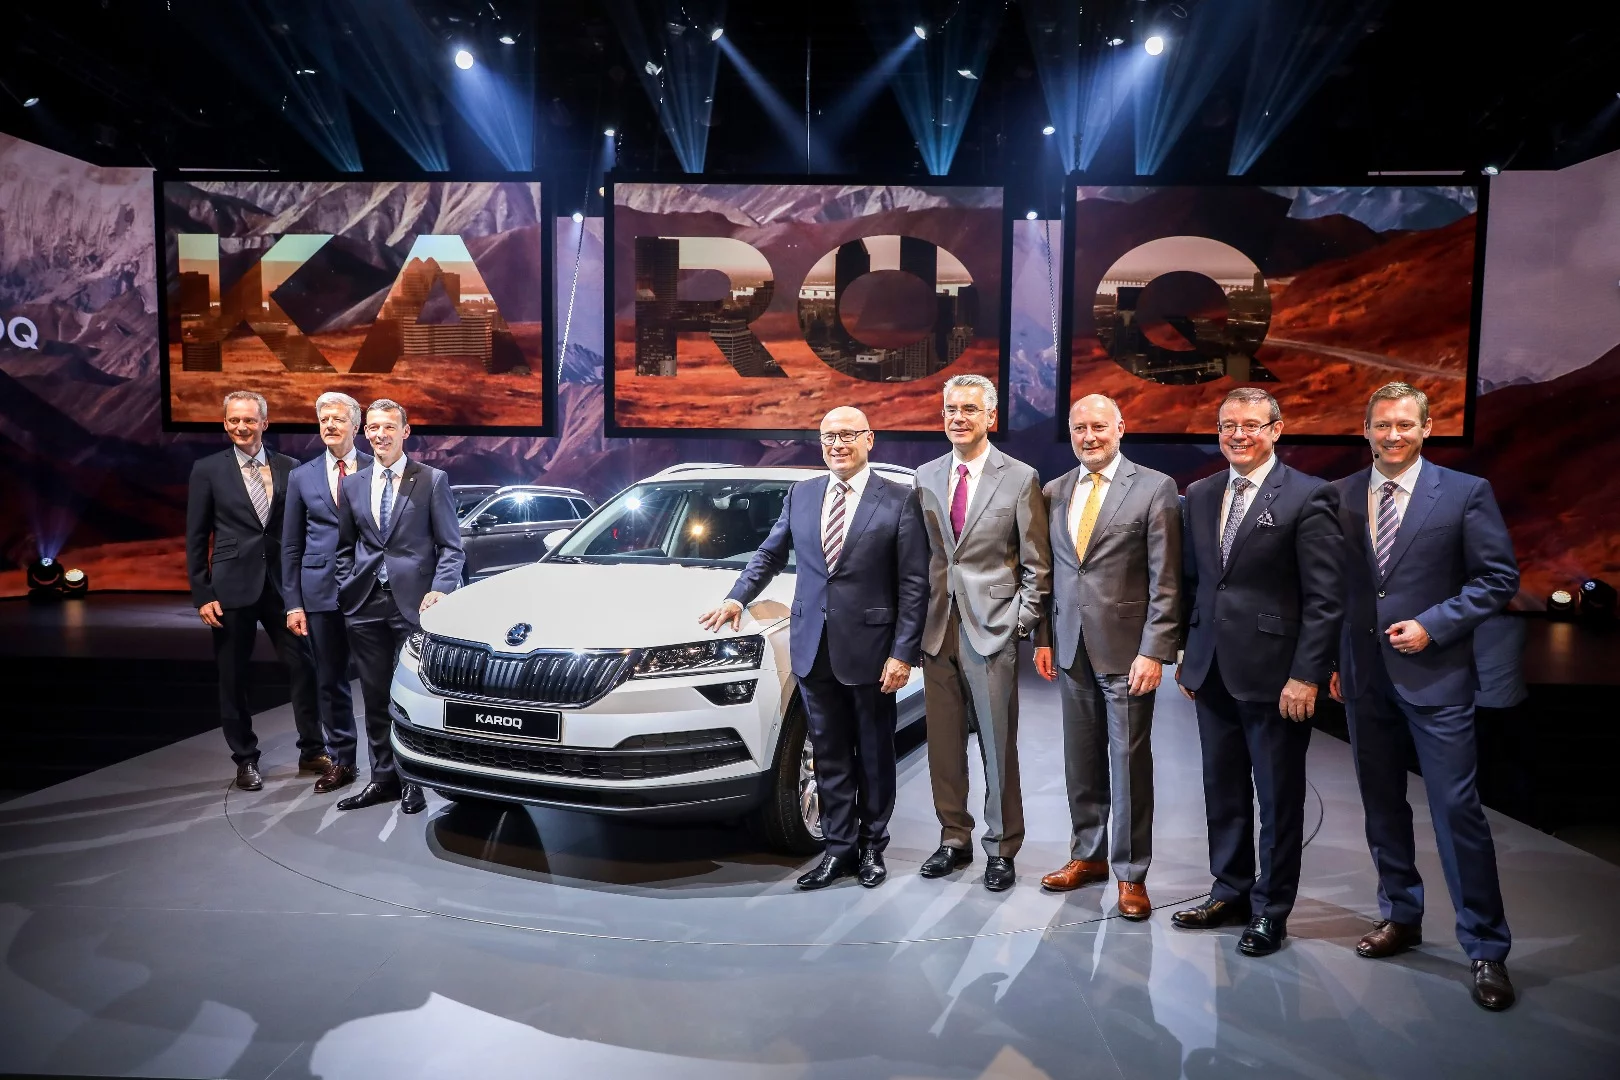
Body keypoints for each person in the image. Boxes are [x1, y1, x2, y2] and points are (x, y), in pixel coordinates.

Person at [1329, 382, 1520, 1011]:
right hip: (1363, 678)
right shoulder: (1340, 497)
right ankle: (1401, 916)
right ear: (1366, 430)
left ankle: (1486, 948)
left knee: (1456, 812)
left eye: (1404, 425)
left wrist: (1434, 624)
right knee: (1382, 806)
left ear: (1426, 428)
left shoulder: (1465, 493)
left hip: (1436, 678)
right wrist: (1333, 660)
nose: (1392, 435)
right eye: (1382, 425)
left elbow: (1497, 578)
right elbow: (1333, 592)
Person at [700, 407, 929, 890]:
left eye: (847, 435)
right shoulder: (802, 494)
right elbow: (770, 552)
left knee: (872, 752)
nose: (838, 444)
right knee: (827, 754)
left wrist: (903, 652)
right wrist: (736, 597)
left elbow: (914, 585)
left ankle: (872, 847)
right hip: (810, 646)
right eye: (829, 437)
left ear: (870, 439)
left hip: (872, 650)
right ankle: (838, 849)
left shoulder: (900, 499)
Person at [1172, 387, 1343, 957]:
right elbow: (1195, 583)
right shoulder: (1198, 494)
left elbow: (1324, 598)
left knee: (1277, 797)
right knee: (1221, 790)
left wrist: (1307, 674)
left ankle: (1272, 909)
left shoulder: (1308, 496)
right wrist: (1185, 653)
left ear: (1276, 429)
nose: (1237, 435)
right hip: (1212, 668)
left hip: (1277, 678)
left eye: (1250, 425)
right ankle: (1230, 891)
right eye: (1227, 425)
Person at [1033, 394, 1181, 919]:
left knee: (1129, 765)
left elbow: (1167, 580)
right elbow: (1050, 574)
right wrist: (1044, 638)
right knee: (1082, 762)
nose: (1089, 436)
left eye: (1099, 426)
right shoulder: (1054, 492)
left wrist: (1156, 649)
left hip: (1127, 653)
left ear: (1121, 428)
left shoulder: (1155, 487)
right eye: (1079, 428)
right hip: (1071, 646)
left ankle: (1131, 874)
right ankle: (1087, 857)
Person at [913, 375, 1050, 892]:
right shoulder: (924, 476)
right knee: (943, 746)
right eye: (951, 409)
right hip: (937, 628)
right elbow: (923, 557)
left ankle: (1002, 846)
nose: (959, 418)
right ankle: (954, 838)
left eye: (970, 409)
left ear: (991, 417)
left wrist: (1020, 621)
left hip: (992, 630)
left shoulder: (1019, 477)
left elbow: (1037, 562)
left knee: (997, 743)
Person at [185, 390, 325, 790]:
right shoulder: (208, 469)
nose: (241, 427)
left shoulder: (290, 467)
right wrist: (202, 592)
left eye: (249, 420)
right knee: (233, 675)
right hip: (230, 587)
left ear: (265, 422)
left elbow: (298, 531)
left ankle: (312, 748)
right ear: (225, 423)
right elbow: (196, 537)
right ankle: (245, 758)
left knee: (303, 665)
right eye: (233, 421)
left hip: (282, 586)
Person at [333, 399, 465, 815]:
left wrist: (441, 590)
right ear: (364, 432)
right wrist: (346, 586)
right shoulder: (353, 484)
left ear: (405, 432)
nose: (379, 435)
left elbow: (451, 547)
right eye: (372, 427)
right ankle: (383, 779)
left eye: (388, 427)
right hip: (365, 604)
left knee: (409, 698)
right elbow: (343, 548)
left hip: (414, 606)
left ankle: (413, 783)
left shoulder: (430, 479)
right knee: (373, 697)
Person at [282, 392, 372, 795]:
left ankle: (391, 764)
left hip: (370, 590)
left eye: (337, 419)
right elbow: (291, 544)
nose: (330, 425)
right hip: (319, 593)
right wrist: (293, 602)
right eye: (323, 420)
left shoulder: (379, 468)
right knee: (330, 680)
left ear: (356, 425)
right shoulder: (302, 476)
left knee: (378, 681)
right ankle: (343, 761)